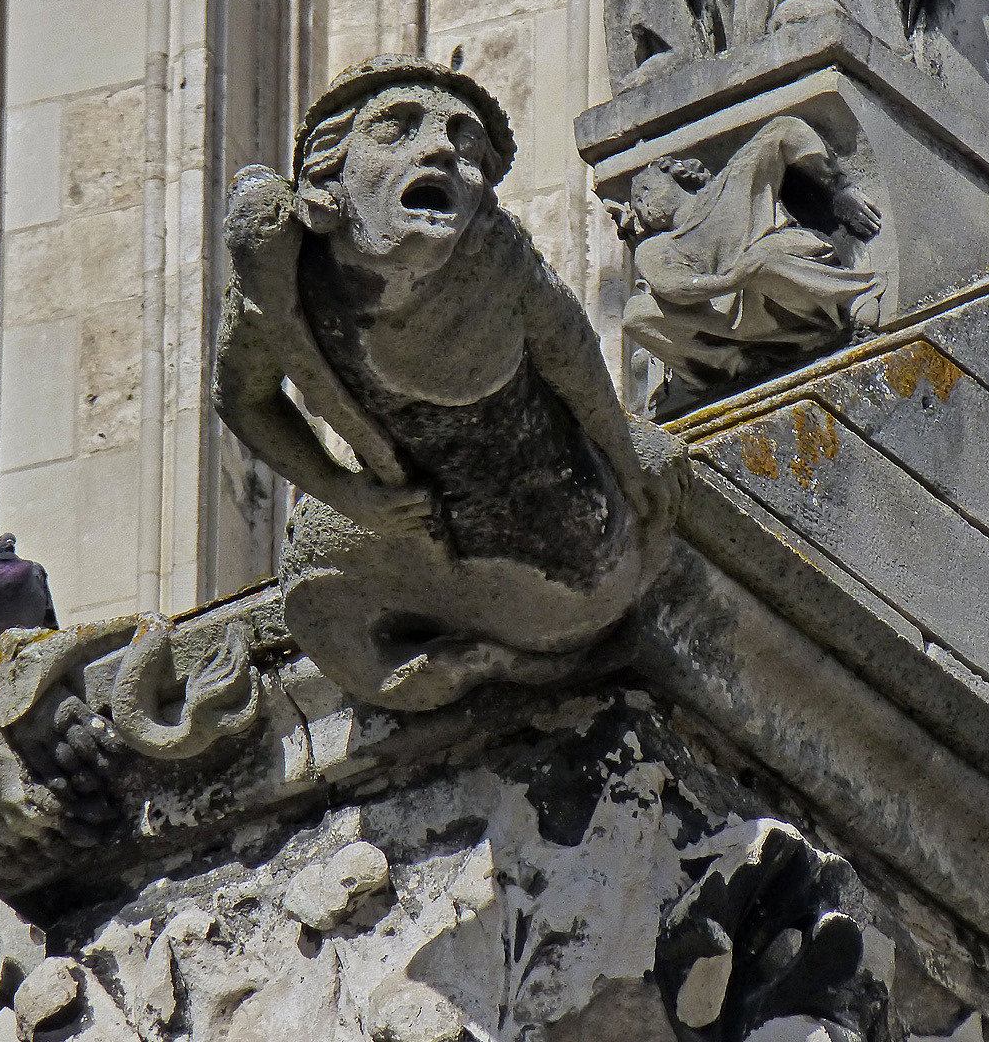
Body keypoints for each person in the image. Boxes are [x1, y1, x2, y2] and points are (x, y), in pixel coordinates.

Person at [215, 55, 683, 711]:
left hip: (578, 556)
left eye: (465, 143)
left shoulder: (497, 258)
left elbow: (571, 352)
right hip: (424, 546)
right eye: (395, 129)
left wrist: (622, 448)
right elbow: (241, 396)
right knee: (314, 586)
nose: (438, 148)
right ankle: (469, 660)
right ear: (331, 168)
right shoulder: (283, 275)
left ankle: (495, 656)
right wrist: (346, 493)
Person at [617, 116, 884, 391]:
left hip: (785, 272)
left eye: (646, 190)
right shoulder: (657, 247)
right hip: (733, 314)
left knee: (765, 258)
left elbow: (785, 130)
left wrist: (838, 189)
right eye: (637, 202)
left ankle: (850, 298)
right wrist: (732, 279)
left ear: (676, 173)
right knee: (637, 313)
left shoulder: (731, 181)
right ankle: (738, 365)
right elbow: (671, 286)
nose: (642, 204)